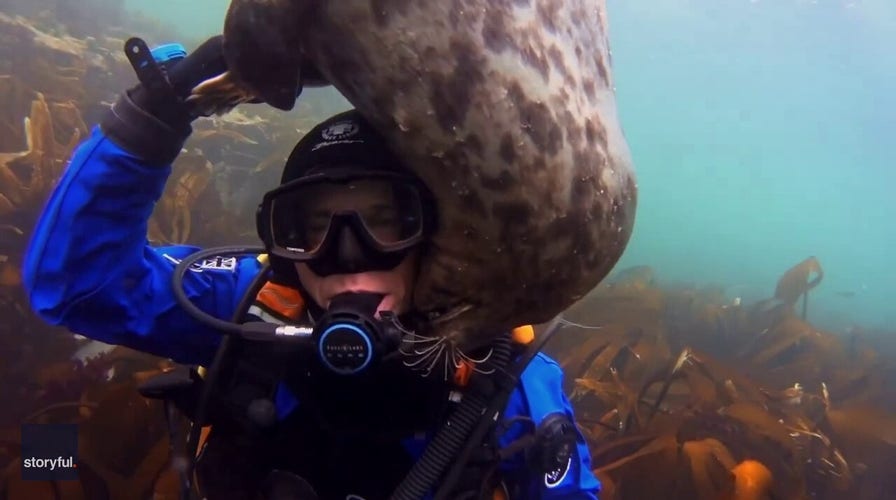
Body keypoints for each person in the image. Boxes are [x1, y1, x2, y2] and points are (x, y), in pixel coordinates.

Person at [22, 34, 601, 500]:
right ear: (282, 244)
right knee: (40, 452)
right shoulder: (253, 306)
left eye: (385, 221)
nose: (347, 257)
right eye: (310, 229)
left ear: (433, 238)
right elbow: (78, 284)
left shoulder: (502, 374)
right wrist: (153, 117)